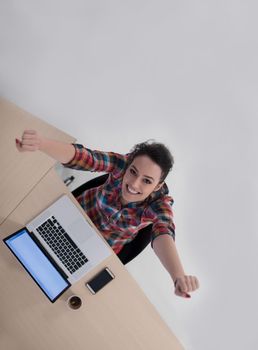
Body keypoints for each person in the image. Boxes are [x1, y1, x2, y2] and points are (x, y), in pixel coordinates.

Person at [16, 130, 199, 298]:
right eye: (133, 172)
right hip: (71, 216)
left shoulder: (159, 204)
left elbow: (163, 231)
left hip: (96, 247)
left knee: (49, 286)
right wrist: (41, 143)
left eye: (147, 181)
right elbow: (87, 158)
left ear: (157, 186)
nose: (134, 184)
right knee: (22, 250)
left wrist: (178, 277)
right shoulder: (121, 164)